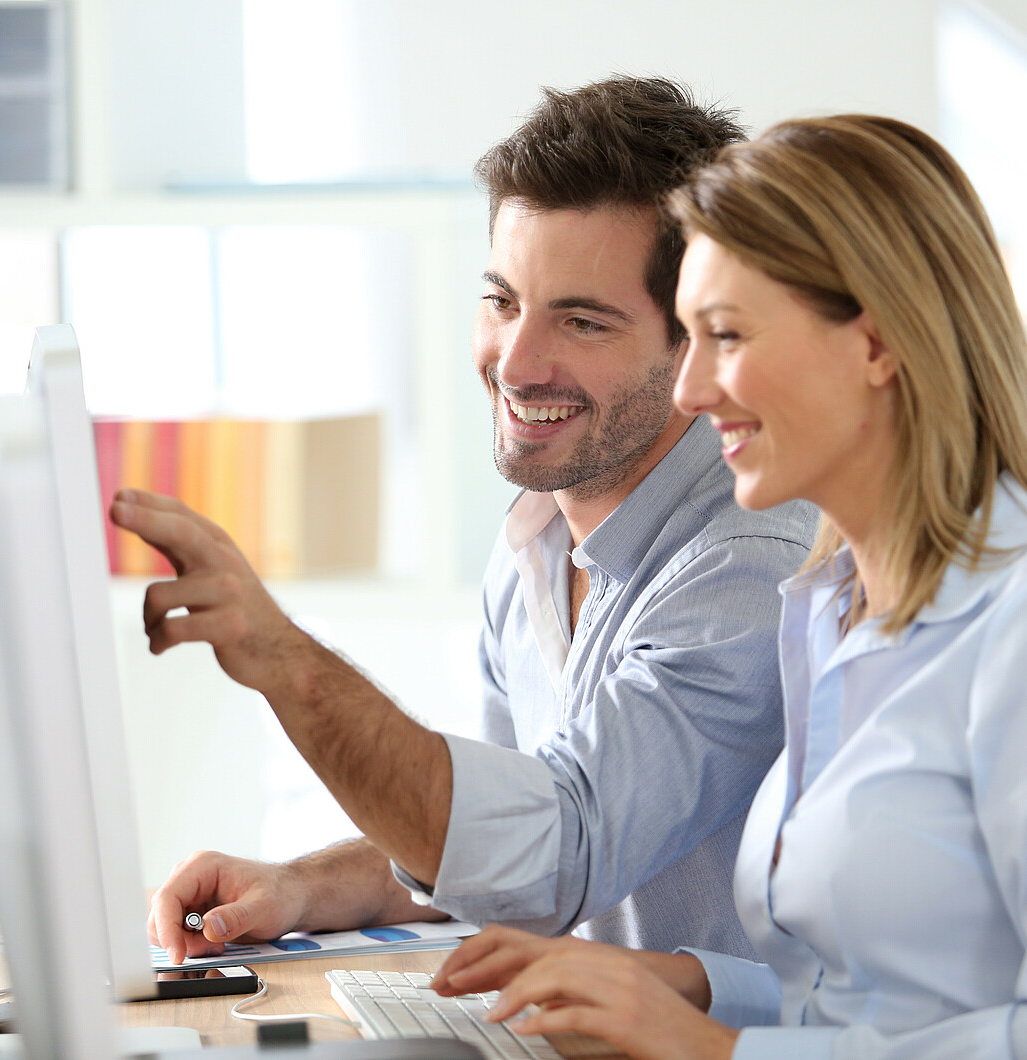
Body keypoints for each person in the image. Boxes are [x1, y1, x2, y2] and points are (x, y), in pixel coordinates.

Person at [111, 76, 815, 968]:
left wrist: (287, 663)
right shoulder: (537, 533)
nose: (515, 363)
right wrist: (304, 886)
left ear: (695, 342)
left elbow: (549, 858)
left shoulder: (749, 569)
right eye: (502, 301)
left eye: (583, 321)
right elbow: (489, 836)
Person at [432, 113, 1027, 1059]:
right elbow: (859, 1000)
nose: (693, 389)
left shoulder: (1007, 629)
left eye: (728, 336)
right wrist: (696, 988)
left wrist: (716, 1049)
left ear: (877, 346)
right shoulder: (834, 607)